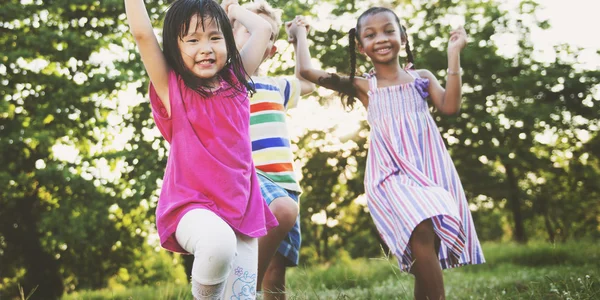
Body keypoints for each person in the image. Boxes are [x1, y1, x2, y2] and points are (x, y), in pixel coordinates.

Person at [294, 7, 485, 300]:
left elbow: (450, 107)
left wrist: (454, 54)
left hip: (430, 172)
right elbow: (307, 72)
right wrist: (299, 37)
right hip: (390, 176)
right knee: (420, 226)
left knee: (428, 247)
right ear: (360, 46)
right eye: (370, 35)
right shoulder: (363, 87)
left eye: (388, 30)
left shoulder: (420, 78)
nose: (381, 38)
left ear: (403, 37)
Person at [124, 0, 279, 298]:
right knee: (217, 243)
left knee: (241, 296)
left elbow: (263, 27)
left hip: (243, 211)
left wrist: (232, 9)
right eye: (193, 40)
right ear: (174, 49)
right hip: (191, 206)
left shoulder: (236, 81)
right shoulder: (172, 89)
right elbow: (143, 34)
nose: (206, 47)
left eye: (215, 37)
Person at [230, 2, 315, 299]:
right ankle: (240, 291)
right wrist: (235, 9)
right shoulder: (230, 82)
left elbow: (308, 81)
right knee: (281, 211)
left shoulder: (277, 86)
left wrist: (299, 37)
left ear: (271, 49)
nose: (256, 33)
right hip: (252, 179)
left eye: (262, 32)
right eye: (247, 29)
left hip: (286, 183)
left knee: (276, 269)